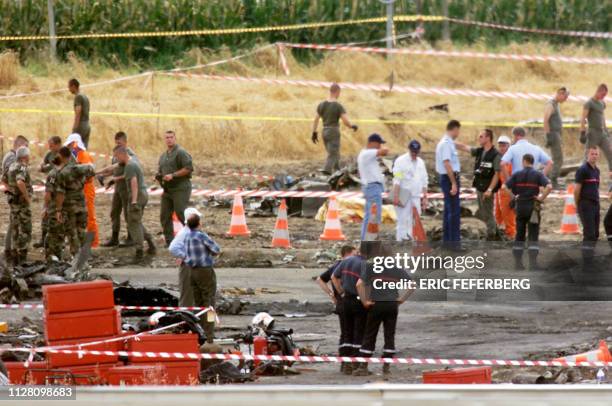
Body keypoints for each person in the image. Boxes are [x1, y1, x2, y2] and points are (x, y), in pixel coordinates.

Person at [355, 246, 414, 376]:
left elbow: (359, 284)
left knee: (370, 334)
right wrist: (401, 299)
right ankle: (386, 368)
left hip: (376, 304)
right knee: (389, 335)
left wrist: (364, 301)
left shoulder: (371, 267)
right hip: (392, 304)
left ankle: (363, 367)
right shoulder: (396, 267)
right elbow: (412, 285)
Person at [171, 208, 220, 343]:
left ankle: (198, 332)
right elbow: (216, 249)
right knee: (209, 303)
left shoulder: (186, 236)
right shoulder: (200, 236)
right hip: (204, 271)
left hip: (192, 271)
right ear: (198, 223)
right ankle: (208, 334)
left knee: (198, 303)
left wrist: (187, 258)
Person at [503, 154, 552, 271]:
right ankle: (533, 265)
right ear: (532, 162)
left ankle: (518, 264)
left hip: (520, 207)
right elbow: (549, 186)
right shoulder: (537, 175)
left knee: (519, 236)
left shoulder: (517, 174)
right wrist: (540, 198)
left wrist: (514, 197)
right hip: (532, 208)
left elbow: (504, 187)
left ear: (524, 161)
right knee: (533, 236)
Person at [315, 244, 356, 373]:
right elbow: (320, 280)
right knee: (352, 332)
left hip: (341, 304)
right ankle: (349, 362)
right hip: (349, 302)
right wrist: (335, 293)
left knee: (345, 332)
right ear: (347, 254)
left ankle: (345, 362)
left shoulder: (336, 266)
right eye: (354, 253)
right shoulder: (346, 266)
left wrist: (332, 295)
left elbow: (320, 279)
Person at [113, 146, 156, 262]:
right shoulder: (130, 164)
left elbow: (134, 183)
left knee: (133, 224)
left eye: (117, 156)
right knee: (136, 221)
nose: (116, 159)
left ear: (122, 154)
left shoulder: (130, 166)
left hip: (136, 196)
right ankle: (151, 244)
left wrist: (134, 201)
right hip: (140, 195)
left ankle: (139, 251)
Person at [97, 132, 138, 247]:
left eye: (119, 143)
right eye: (116, 143)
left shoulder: (130, 155)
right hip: (118, 188)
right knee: (114, 213)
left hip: (127, 188)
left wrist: (110, 177)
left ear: (125, 142)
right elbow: (114, 169)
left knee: (127, 213)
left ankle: (131, 237)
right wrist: (104, 176)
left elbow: (129, 173)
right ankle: (114, 238)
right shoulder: (116, 155)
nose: (118, 145)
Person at [331, 251, 367, 375]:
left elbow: (333, 277)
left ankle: (345, 364)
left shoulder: (346, 261)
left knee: (346, 333)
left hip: (345, 301)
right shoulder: (365, 264)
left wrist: (340, 291)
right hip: (358, 302)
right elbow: (360, 284)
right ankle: (355, 363)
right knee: (358, 333)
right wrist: (365, 301)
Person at [54, 146, 94, 257]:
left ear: (61, 156)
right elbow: (91, 173)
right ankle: (85, 259)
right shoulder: (80, 168)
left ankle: (76, 259)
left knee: (72, 234)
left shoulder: (62, 173)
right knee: (82, 232)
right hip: (82, 205)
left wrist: (58, 210)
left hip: (69, 207)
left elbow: (60, 193)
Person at [157, 130, 194, 247]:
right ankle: (169, 241)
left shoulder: (181, 152)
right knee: (164, 215)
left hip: (181, 187)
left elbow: (188, 168)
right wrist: (158, 176)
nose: (169, 139)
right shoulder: (163, 156)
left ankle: (194, 237)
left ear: (175, 138)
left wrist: (173, 175)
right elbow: (160, 171)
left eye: (171, 137)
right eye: (167, 137)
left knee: (181, 213)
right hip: (167, 190)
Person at [312, 83, 358, 174]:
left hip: (324, 131)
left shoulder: (321, 104)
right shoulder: (338, 106)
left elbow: (316, 119)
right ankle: (327, 171)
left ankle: (337, 170)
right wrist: (351, 126)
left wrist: (314, 132)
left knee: (334, 152)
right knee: (333, 154)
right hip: (333, 131)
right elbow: (345, 120)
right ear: (337, 92)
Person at [466, 129, 502, 240]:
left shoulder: (495, 154)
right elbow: (466, 148)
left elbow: (497, 174)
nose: (479, 138)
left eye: (481, 136)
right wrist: (451, 142)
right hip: (480, 187)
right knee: (483, 212)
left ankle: (492, 236)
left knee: (488, 213)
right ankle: (495, 234)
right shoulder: (480, 151)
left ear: (488, 138)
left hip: (487, 189)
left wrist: (490, 189)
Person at [65, 133, 99, 247]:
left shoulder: (83, 155)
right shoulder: (77, 156)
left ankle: (93, 243)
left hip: (86, 189)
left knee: (89, 216)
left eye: (70, 145)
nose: (69, 147)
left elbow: (87, 175)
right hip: (81, 189)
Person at [392, 140, 428, 241]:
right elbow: (397, 180)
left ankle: (412, 239)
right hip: (403, 194)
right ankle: (401, 241)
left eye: (416, 152)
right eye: (412, 152)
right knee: (403, 219)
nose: (414, 154)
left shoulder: (421, 163)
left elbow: (424, 180)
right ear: (409, 150)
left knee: (415, 220)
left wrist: (425, 197)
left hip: (416, 195)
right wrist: (395, 196)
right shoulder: (400, 161)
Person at [435, 120, 463, 248]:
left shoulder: (448, 142)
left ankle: (447, 241)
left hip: (448, 178)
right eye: (458, 130)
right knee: (454, 211)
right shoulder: (446, 144)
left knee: (448, 210)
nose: (458, 133)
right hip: (449, 178)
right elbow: (447, 163)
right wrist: (453, 183)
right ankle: (454, 243)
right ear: (455, 129)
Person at [169, 207, 204, 307]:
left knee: (194, 295)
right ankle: (185, 318)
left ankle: (193, 318)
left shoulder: (192, 232)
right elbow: (173, 248)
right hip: (188, 267)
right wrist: (185, 256)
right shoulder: (184, 233)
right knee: (187, 295)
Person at [357, 133, 389, 240]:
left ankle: (368, 240)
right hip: (372, 188)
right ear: (371, 143)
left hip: (373, 187)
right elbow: (384, 152)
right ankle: (368, 241)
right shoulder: (367, 153)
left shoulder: (367, 155)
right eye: (379, 143)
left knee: (371, 216)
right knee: (373, 216)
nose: (380, 145)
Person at [2, 135, 28, 257]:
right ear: (19, 145)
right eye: (25, 147)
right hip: (16, 196)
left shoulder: (11, 157)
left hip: (15, 194)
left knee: (13, 223)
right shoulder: (12, 158)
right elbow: (11, 177)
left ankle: (10, 249)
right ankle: (11, 250)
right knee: (15, 224)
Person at [581, 83, 612, 183]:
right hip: (593, 132)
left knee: (610, 152)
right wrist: (582, 132)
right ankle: (583, 178)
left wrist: (606, 131)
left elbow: (602, 117)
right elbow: (583, 118)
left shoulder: (602, 103)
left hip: (602, 133)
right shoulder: (589, 103)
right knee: (588, 156)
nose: (604, 97)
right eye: (603, 94)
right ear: (598, 91)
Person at [35, 136, 62, 249]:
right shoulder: (49, 153)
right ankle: (43, 239)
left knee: (57, 214)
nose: (50, 147)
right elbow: (42, 165)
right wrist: (41, 165)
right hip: (50, 185)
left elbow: (49, 167)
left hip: (59, 188)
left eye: (51, 145)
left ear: (58, 144)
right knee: (45, 213)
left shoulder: (62, 154)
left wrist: (43, 168)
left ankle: (58, 241)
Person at [7, 147, 33, 264]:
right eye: (28, 156)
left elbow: (3, 180)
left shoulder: (11, 166)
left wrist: (12, 190)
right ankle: (22, 259)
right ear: (24, 157)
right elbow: (20, 181)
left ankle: (14, 259)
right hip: (22, 205)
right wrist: (27, 197)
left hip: (14, 204)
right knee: (25, 230)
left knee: (15, 229)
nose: (29, 158)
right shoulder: (22, 167)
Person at [574, 147, 601, 262]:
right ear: (587, 155)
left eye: (596, 154)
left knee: (595, 234)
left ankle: (590, 256)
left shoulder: (597, 171)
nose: (594, 156)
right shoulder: (582, 170)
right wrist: (578, 205)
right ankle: (587, 261)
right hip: (585, 204)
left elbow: (596, 188)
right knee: (589, 233)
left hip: (595, 204)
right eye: (592, 154)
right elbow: (577, 190)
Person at [544, 87, 569, 189]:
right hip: (553, 135)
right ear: (560, 94)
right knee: (558, 159)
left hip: (556, 134)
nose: (566, 99)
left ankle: (553, 180)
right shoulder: (551, 104)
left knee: (558, 159)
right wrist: (548, 136)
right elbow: (545, 120)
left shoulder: (556, 104)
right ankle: (553, 181)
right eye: (565, 97)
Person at [494, 135, 516, 239]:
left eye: (504, 145)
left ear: (508, 146)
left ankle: (511, 234)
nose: (502, 147)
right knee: (497, 214)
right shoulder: (499, 159)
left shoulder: (511, 160)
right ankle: (496, 232)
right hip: (499, 190)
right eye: (500, 145)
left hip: (508, 191)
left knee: (508, 215)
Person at [43, 156, 63, 261]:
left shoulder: (56, 173)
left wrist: (45, 208)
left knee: (56, 234)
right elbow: (48, 193)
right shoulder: (55, 174)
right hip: (56, 209)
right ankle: (51, 256)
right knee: (53, 233)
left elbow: (48, 193)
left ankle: (55, 257)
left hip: (57, 208)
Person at [68, 78, 91, 148]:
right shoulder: (85, 96)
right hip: (87, 124)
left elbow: (78, 113)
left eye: (69, 87)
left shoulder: (78, 97)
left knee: (75, 148)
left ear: (73, 86)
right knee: (84, 149)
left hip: (81, 125)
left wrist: (75, 129)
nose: (69, 89)